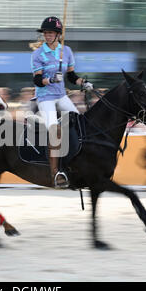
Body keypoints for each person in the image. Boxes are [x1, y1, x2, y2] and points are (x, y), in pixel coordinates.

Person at [31, 16, 94, 188]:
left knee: (80, 123)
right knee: (55, 130)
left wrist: (84, 83)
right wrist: (50, 80)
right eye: (46, 33)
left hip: (61, 96)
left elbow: (72, 76)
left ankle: (80, 163)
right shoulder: (38, 54)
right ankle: (55, 172)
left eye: (51, 33)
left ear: (58, 34)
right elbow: (37, 80)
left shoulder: (66, 51)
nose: (48, 35)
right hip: (45, 98)